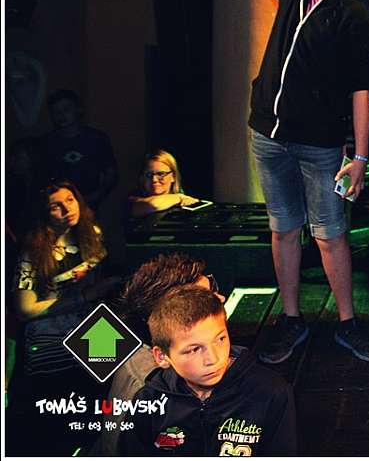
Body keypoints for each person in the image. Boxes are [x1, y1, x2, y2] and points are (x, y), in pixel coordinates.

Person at [207, 0, 369, 366]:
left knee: (330, 236)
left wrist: (360, 156)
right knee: (282, 229)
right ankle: (291, 320)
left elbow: (361, 89)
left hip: (320, 147)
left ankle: (348, 323)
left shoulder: (353, 13)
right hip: (268, 137)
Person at [120, 287, 297, 456]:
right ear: (162, 356)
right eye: (194, 349)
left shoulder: (270, 393)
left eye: (220, 339)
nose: (213, 359)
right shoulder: (148, 401)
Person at [10, 181, 118, 455]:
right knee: (61, 391)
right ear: (44, 213)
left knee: (113, 373)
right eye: (55, 206)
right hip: (51, 325)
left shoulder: (92, 234)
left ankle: (95, 443)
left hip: (91, 320)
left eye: (70, 200)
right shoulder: (34, 251)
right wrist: (82, 297)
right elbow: (24, 310)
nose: (67, 209)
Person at [98, 253, 221, 455]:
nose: (221, 299)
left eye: (214, 289)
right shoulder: (162, 386)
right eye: (206, 299)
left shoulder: (141, 349)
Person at [39, 90, 119, 209]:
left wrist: (97, 194)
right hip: (57, 204)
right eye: (56, 111)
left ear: (78, 110)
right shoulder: (47, 142)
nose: (61, 115)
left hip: (89, 202)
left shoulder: (96, 138)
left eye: (66, 109)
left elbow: (110, 172)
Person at [127, 149, 202, 218]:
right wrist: (179, 197)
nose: (154, 179)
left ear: (173, 176)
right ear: (142, 178)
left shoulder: (184, 203)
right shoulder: (133, 200)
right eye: (149, 174)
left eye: (161, 174)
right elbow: (153, 205)